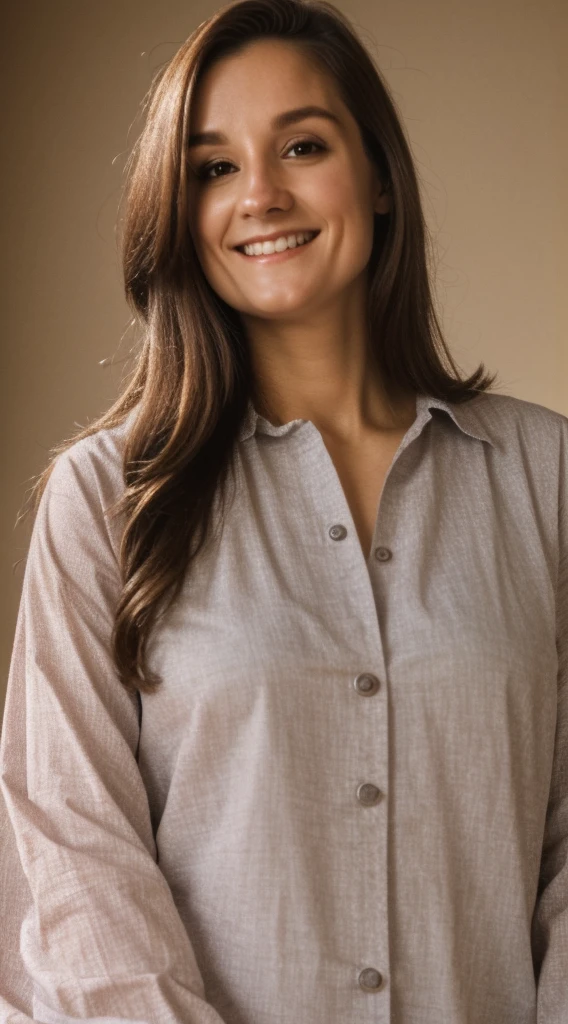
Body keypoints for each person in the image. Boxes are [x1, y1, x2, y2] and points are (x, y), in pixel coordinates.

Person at [1, 0, 566, 1020]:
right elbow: (74, 849)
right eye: (213, 167)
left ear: (381, 177)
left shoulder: (545, 476)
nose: (258, 194)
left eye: (301, 145)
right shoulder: (103, 499)